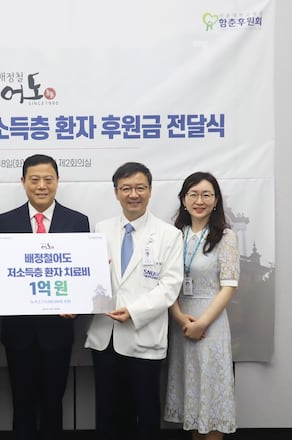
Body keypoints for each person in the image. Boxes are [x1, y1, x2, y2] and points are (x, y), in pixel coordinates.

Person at [84, 162, 183, 440]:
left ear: (150, 190)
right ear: (116, 193)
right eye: (126, 188)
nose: (133, 194)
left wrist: (134, 311)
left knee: (146, 413)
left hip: (144, 336)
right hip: (105, 337)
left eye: (140, 188)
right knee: (107, 413)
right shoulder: (101, 229)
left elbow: (170, 286)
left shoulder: (169, 235)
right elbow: (88, 276)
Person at [0, 154, 90, 440]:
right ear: (23, 181)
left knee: (53, 402)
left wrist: (79, 302)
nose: (41, 186)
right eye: (34, 180)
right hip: (18, 331)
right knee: (21, 402)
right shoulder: (6, 221)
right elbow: (3, 273)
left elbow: (81, 274)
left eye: (48, 179)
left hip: (57, 330)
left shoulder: (77, 221)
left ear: (58, 181)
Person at [164, 172, 239, 439]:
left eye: (206, 195)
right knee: (193, 398)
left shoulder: (225, 236)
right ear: (183, 200)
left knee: (212, 394)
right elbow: (166, 283)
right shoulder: (174, 236)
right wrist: (179, 317)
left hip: (211, 324)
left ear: (216, 200)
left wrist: (203, 323)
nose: (199, 201)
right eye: (193, 194)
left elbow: (229, 286)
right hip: (181, 322)